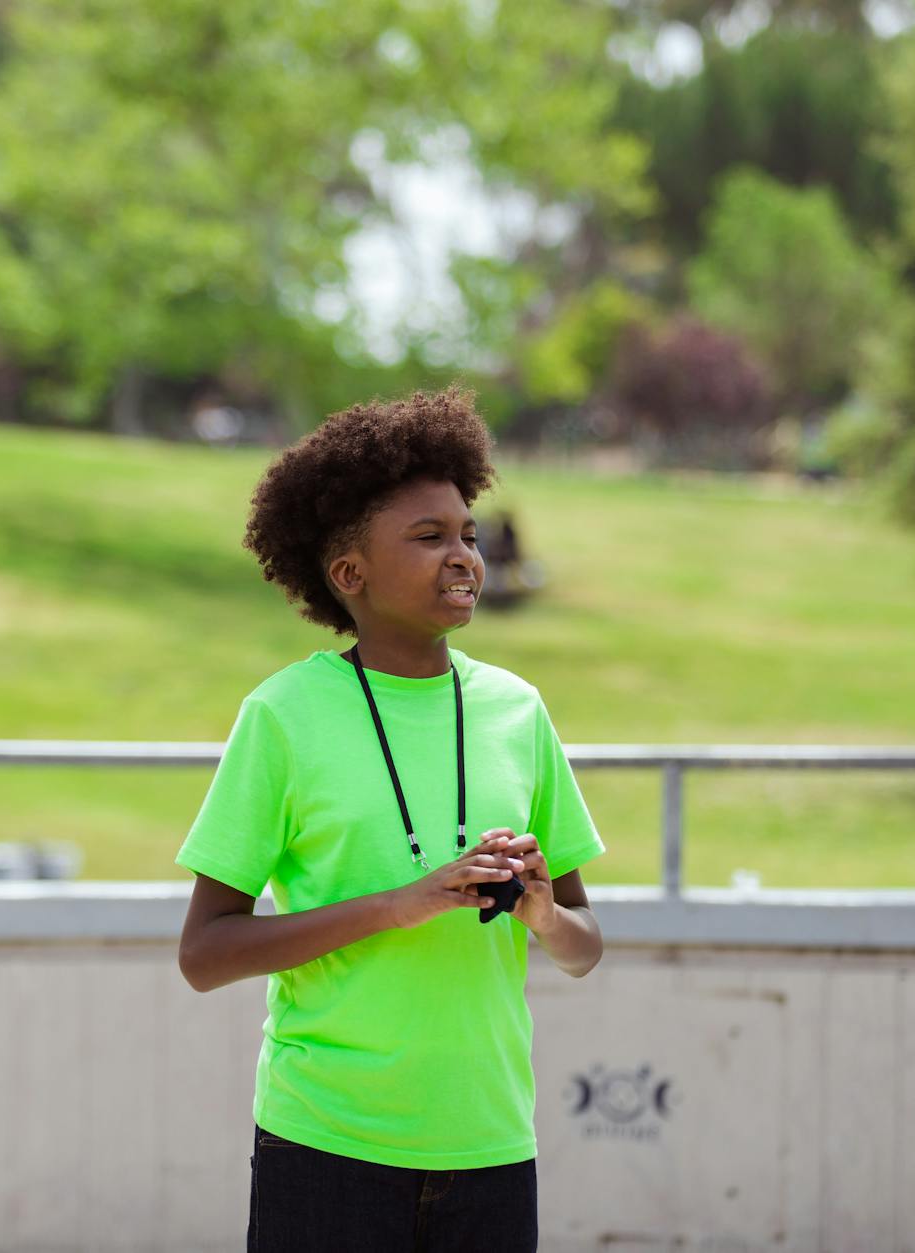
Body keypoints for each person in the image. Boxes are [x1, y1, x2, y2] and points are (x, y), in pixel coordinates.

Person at [174, 385, 607, 1252]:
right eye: (429, 536)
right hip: (325, 1146)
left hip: (490, 1145)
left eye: (469, 535)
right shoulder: (284, 716)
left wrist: (540, 913)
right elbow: (206, 953)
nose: (464, 557)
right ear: (349, 573)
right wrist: (403, 903)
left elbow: (585, 944)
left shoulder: (518, 712)